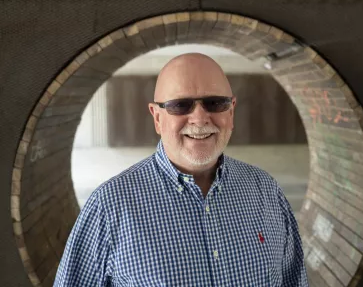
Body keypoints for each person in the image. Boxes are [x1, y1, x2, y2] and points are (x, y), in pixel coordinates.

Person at [54, 53, 309, 286]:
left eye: (214, 103)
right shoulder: (109, 207)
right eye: (180, 106)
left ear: (231, 112)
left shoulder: (266, 192)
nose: (199, 119)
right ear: (157, 117)